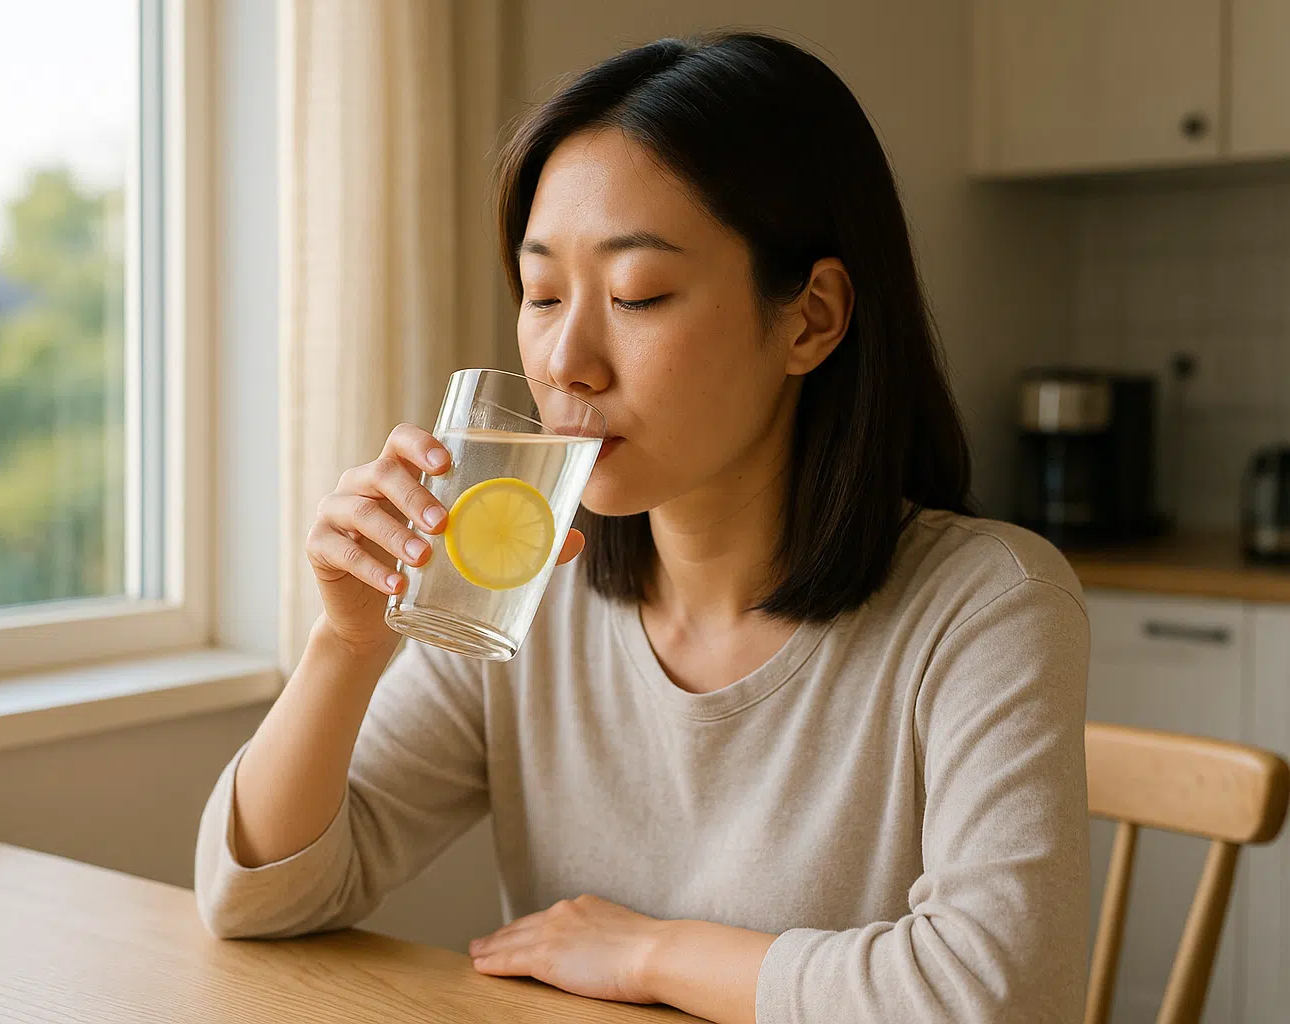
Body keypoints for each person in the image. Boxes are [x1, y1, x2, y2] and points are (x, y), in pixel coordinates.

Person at [194, 31, 1089, 1024]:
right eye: (542, 295)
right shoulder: (527, 590)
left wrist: (651, 954)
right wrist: (347, 644)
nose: (565, 362)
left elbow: (997, 997)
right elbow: (256, 898)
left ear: (810, 319)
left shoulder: (987, 604)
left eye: (637, 295)